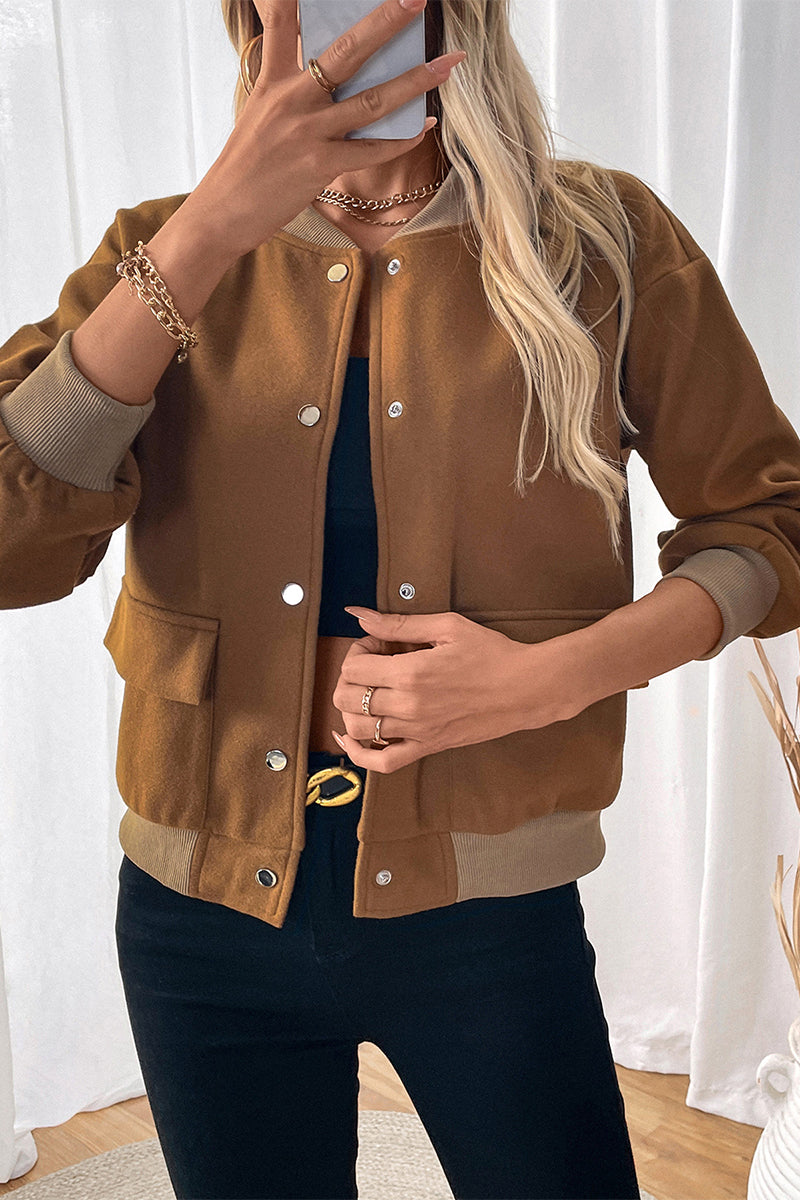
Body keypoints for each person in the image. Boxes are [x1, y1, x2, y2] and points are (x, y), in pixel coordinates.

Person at [2, 0, 799, 1197]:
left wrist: (549, 678)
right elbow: (13, 545)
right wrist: (212, 226)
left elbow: (767, 522)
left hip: (490, 918)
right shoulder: (163, 251)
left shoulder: (605, 242)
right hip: (197, 916)